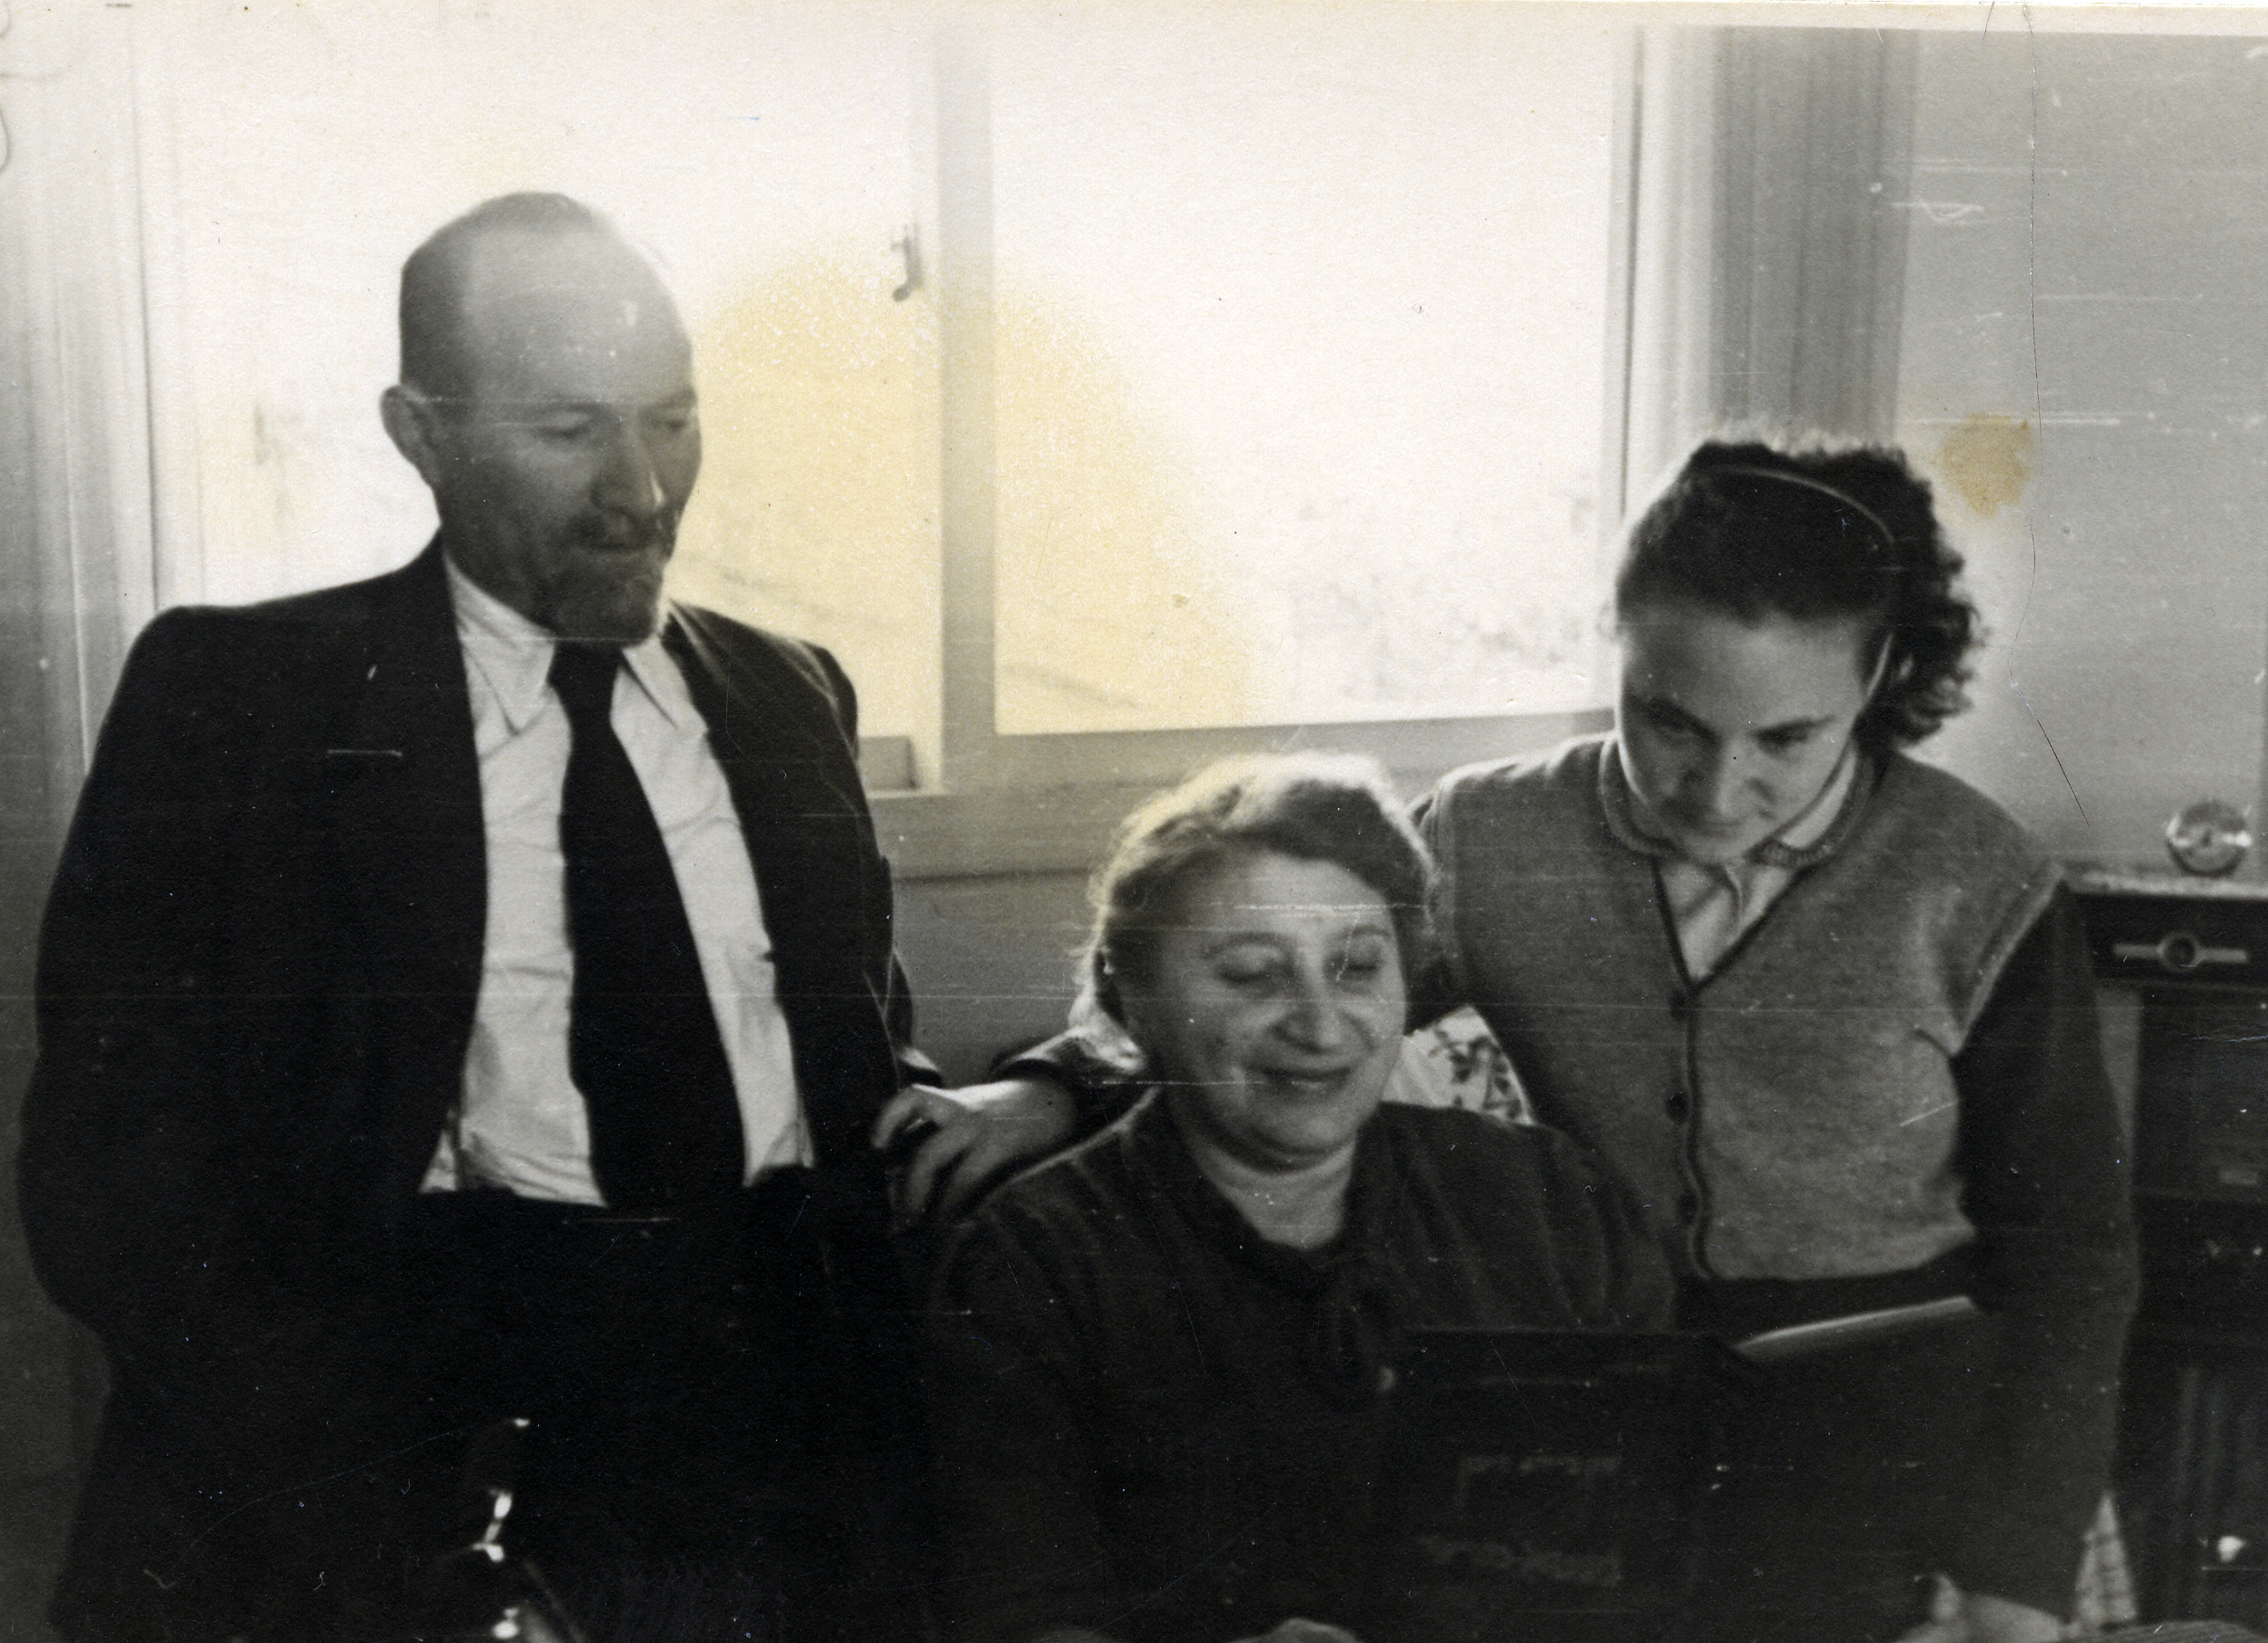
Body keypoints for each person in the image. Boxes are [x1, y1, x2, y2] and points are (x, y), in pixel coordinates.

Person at [951, 439, 2141, 1643]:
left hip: (1912, 1454)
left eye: (1785, 738)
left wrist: (2015, 1578)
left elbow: (2073, 1256)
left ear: (1877, 669)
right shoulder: (1485, 832)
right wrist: (1048, 1086)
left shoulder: (1977, 880)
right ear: (1613, 648)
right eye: (1666, 720)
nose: (1716, 790)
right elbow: (1277, 974)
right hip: (1589, 1435)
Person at [21, 193, 937, 1643]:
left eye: (673, 418)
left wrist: (1031, 1093)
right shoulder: (239, 700)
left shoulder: (787, 696)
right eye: (570, 432)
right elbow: (110, 1174)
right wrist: (357, 1493)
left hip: (760, 1418)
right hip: (391, 1444)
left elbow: (845, 1076)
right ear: (418, 432)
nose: (642, 489)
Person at [924, 754, 1675, 1643]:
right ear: (1135, 999)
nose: (1319, 1024)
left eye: (1356, 967)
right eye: (1250, 974)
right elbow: (1016, 1617)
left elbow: (1662, 1533)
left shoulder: (1545, 1196)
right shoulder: (1033, 1260)